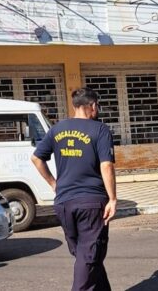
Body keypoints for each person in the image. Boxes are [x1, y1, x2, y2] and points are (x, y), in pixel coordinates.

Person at [31, 88, 117, 290]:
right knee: (89, 255)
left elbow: (36, 158)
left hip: (64, 203)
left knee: (85, 254)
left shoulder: (57, 129)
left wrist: (54, 184)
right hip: (91, 203)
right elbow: (106, 165)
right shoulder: (100, 130)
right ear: (93, 106)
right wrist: (112, 199)